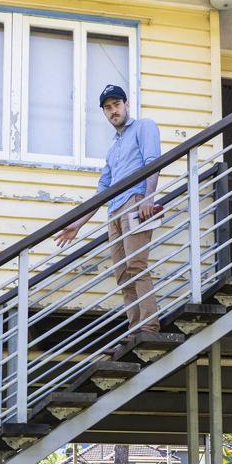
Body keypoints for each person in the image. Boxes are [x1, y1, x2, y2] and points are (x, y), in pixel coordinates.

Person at [54, 84, 163, 339]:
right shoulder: (113, 149)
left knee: (136, 265)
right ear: (104, 113)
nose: (113, 111)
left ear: (126, 105)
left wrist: (149, 199)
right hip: (114, 211)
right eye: (108, 108)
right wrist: (78, 224)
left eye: (117, 105)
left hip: (136, 202)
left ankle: (148, 327)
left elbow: (153, 163)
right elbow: (102, 192)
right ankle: (134, 329)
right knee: (123, 274)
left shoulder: (143, 126)